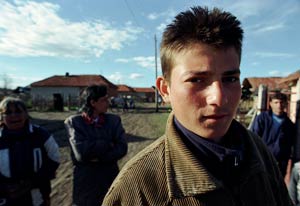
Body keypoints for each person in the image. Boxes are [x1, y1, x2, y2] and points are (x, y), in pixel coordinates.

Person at [102, 6, 292, 206]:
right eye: (197, 80)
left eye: (230, 78)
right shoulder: (138, 189)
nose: (218, 98)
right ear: (165, 89)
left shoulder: (259, 153)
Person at [64, 85, 128, 206]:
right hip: (86, 184)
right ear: (93, 102)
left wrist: (97, 157)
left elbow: (122, 148)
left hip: (109, 179)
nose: (108, 103)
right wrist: (108, 143)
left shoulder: (113, 121)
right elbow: (81, 153)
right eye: (104, 100)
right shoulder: (74, 122)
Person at [0, 97, 60, 206]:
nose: (14, 115)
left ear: (26, 114)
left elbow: (54, 159)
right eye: (8, 113)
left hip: (36, 198)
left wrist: (31, 182)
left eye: (18, 111)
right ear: (1, 117)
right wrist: (4, 188)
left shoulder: (41, 135)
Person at [250, 92, 295, 177]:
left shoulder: (289, 125)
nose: (279, 105)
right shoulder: (262, 119)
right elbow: (254, 137)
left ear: (286, 104)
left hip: (280, 163)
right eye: (276, 102)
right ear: (270, 104)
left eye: (281, 102)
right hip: (263, 159)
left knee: (277, 187)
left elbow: (290, 144)